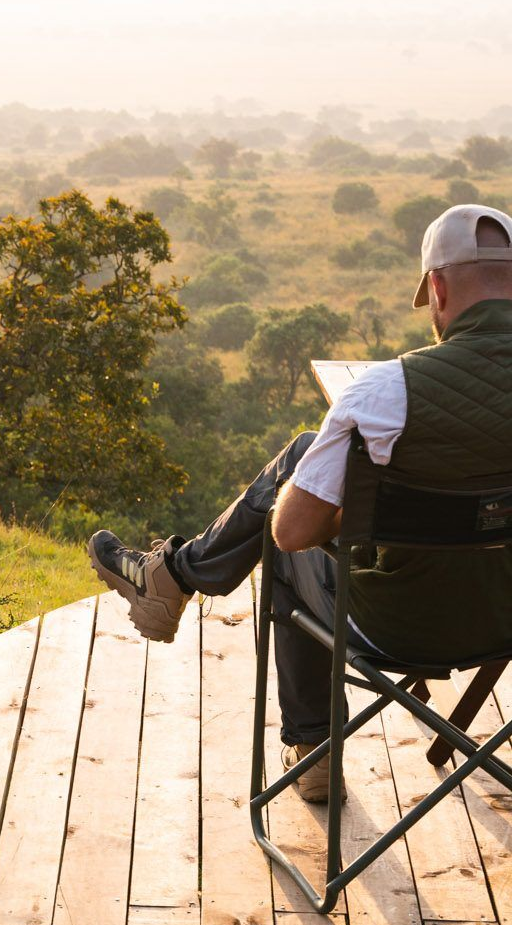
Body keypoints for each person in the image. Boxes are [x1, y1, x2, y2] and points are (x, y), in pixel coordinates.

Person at [88, 204, 512, 803]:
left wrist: (358, 512)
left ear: (437, 289)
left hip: (399, 625)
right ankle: (173, 577)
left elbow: (292, 532)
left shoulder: (385, 390)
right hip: (505, 618)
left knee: (283, 535)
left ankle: (313, 749)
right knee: (308, 457)